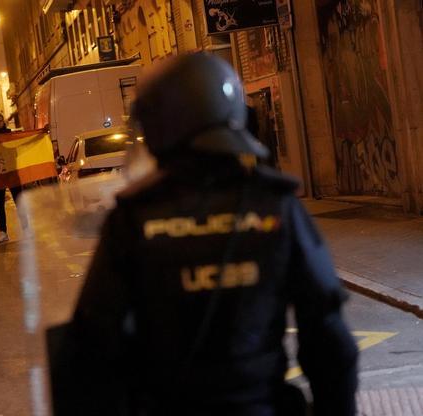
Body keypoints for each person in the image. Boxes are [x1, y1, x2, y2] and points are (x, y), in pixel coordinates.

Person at [58, 53, 358, 415]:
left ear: (156, 125)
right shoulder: (274, 204)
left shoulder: (135, 217)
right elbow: (328, 337)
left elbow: (93, 344)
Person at [0, 113, 22, 243]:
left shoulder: (10, 135)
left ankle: (26, 229)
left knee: (20, 202)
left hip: (12, 172)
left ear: (3, 122)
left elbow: (19, 148)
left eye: (0, 121)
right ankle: (3, 233)